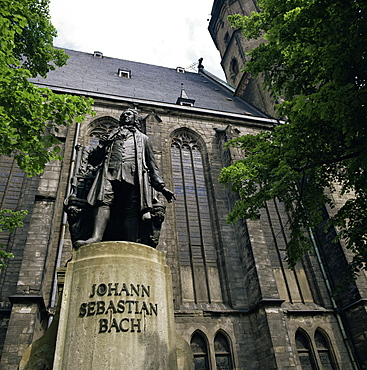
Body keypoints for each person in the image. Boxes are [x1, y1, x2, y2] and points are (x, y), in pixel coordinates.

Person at [74, 109, 174, 247]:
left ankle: (131, 243)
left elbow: (152, 165)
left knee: (132, 209)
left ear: (136, 119)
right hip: (109, 173)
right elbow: (94, 160)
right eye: (123, 115)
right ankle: (96, 237)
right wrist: (101, 146)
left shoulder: (144, 139)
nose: (124, 116)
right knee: (103, 201)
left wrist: (162, 188)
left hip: (133, 176)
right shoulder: (110, 136)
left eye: (128, 114)